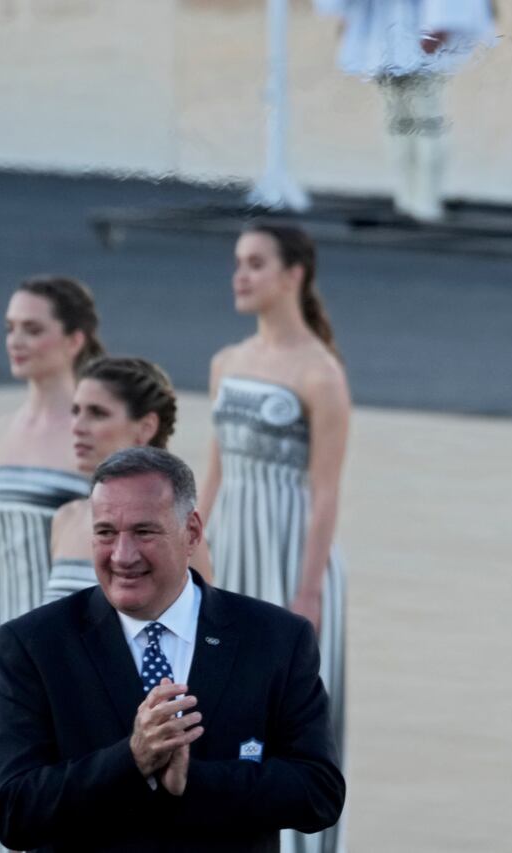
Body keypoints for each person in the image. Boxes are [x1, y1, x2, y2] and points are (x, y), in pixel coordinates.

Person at [0, 446, 344, 851]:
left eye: (144, 532)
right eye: (106, 532)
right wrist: (131, 760)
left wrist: (194, 782)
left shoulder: (275, 639)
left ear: (192, 532)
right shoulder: (34, 645)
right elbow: (12, 811)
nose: (123, 556)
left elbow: (319, 792)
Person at [200, 223, 349, 853]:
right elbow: (211, 472)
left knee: (291, 713)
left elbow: (325, 491)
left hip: (291, 554)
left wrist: (307, 594)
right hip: (230, 545)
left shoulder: (321, 373)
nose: (241, 274)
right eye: (238, 262)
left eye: (256, 263)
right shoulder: (226, 363)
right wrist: (191, 550)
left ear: (294, 275)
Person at [312, 0, 497, 221]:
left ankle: (427, 202)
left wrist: (438, 28)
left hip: (420, 35)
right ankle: (406, 199)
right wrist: (352, 20)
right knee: (398, 123)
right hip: (384, 39)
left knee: (426, 122)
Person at [47, 356, 211, 603]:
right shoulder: (65, 519)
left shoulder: (178, 528)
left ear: (146, 427)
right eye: (76, 411)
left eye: (97, 413)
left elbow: (205, 622)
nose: (77, 426)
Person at [0, 276, 103, 623]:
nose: (16, 341)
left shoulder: (98, 434)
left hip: (61, 643)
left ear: (74, 340)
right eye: (10, 328)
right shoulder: (3, 427)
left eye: (32, 329)